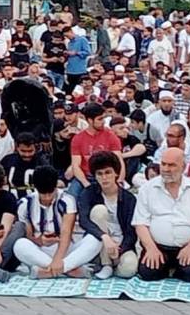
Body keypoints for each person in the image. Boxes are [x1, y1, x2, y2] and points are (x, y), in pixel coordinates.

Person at [132, 147, 190, 283]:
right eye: (163, 164)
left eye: (171, 165)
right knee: (148, 273)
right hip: (158, 246)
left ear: (183, 167)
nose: (166, 169)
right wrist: (151, 248)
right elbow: (140, 224)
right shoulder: (147, 189)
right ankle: (168, 268)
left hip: (187, 247)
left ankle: (176, 269)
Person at [13, 165, 100, 278]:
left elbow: (66, 233)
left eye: (50, 193)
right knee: (19, 245)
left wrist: (58, 259)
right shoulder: (25, 204)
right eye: (43, 194)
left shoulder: (67, 200)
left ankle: (48, 272)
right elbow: (29, 237)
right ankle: (68, 270)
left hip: (66, 249)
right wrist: (41, 241)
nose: (47, 197)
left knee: (96, 240)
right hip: (41, 251)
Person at [76, 151, 138, 279]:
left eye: (108, 172)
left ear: (116, 173)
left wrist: (120, 250)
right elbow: (84, 220)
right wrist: (105, 237)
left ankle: (112, 266)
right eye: (100, 174)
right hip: (100, 240)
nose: (104, 177)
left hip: (121, 244)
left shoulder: (129, 198)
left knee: (130, 268)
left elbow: (132, 231)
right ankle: (106, 264)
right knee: (99, 210)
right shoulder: (88, 193)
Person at [68, 103, 124, 198]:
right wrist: (86, 184)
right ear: (90, 120)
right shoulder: (78, 139)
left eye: (103, 118)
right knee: (71, 197)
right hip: (86, 176)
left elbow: (119, 161)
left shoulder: (110, 136)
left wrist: (119, 181)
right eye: (100, 119)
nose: (103, 122)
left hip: (107, 175)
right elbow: (76, 165)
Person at [0, 133, 45, 199]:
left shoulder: (42, 162)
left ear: (35, 148)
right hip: (11, 200)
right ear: (17, 147)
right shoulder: (7, 160)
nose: (27, 155)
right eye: (23, 151)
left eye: (30, 151)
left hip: (35, 201)